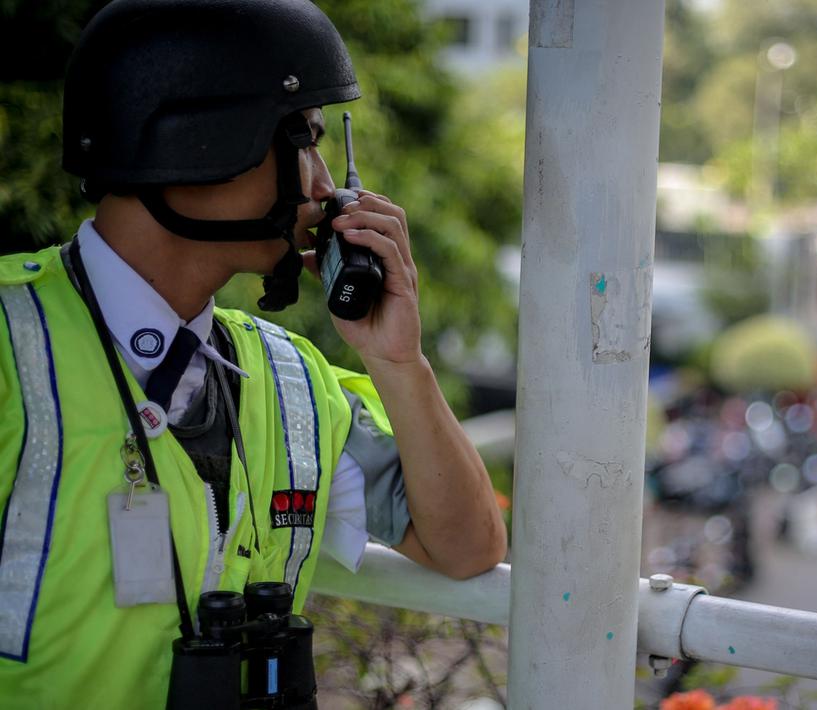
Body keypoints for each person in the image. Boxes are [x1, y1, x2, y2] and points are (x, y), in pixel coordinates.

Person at [0, 0, 506, 706]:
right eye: (305, 141)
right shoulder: (7, 338)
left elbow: (467, 547)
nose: (327, 187)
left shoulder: (291, 379)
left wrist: (399, 363)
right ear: (202, 141)